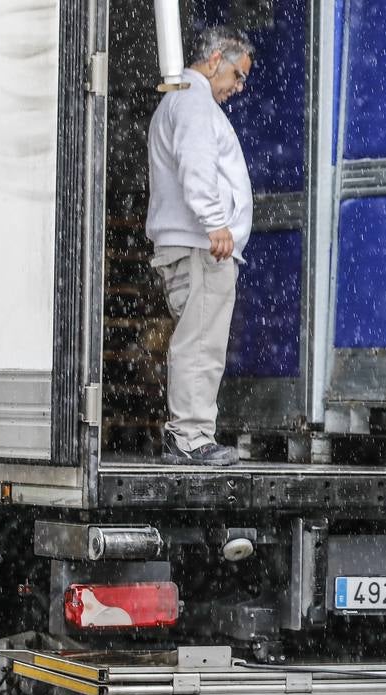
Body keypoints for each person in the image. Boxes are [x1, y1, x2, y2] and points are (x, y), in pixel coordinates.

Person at [146, 26, 255, 466]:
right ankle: (191, 437)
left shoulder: (178, 100)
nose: (238, 87)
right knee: (202, 342)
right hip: (200, 247)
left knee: (197, 338)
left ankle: (188, 434)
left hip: (187, 244)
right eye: (237, 75)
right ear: (214, 60)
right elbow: (196, 162)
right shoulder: (193, 101)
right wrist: (215, 223)